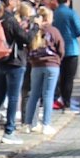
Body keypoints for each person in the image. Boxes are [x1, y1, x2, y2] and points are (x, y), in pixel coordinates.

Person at [0, 2, 37, 145]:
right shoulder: (10, 21)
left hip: (1, 62)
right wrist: (35, 28)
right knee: (13, 98)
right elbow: (25, 39)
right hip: (15, 63)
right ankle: (9, 131)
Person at [23, 7, 64, 135]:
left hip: (36, 65)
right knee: (48, 94)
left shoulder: (35, 31)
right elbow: (61, 48)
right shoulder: (53, 31)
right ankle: (46, 124)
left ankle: (29, 123)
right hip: (52, 65)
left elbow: (28, 47)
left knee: (34, 94)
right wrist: (58, 60)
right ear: (48, 18)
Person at [52, 0, 80, 112]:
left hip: (57, 49)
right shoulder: (71, 13)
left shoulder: (55, 13)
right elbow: (79, 30)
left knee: (61, 77)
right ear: (68, 0)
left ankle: (61, 100)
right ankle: (67, 102)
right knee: (69, 78)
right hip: (71, 49)